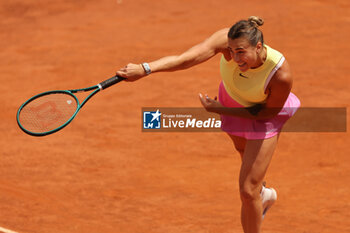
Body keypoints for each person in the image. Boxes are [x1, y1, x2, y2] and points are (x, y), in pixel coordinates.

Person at [116, 16, 300, 233]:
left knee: (247, 191)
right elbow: (187, 58)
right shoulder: (227, 39)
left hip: (261, 116)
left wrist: (219, 109)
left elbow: (262, 114)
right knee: (242, 151)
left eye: (240, 52)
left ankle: (257, 199)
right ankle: (264, 194)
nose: (234, 58)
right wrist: (145, 69)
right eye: (230, 51)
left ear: (258, 47)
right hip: (231, 100)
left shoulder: (280, 74)